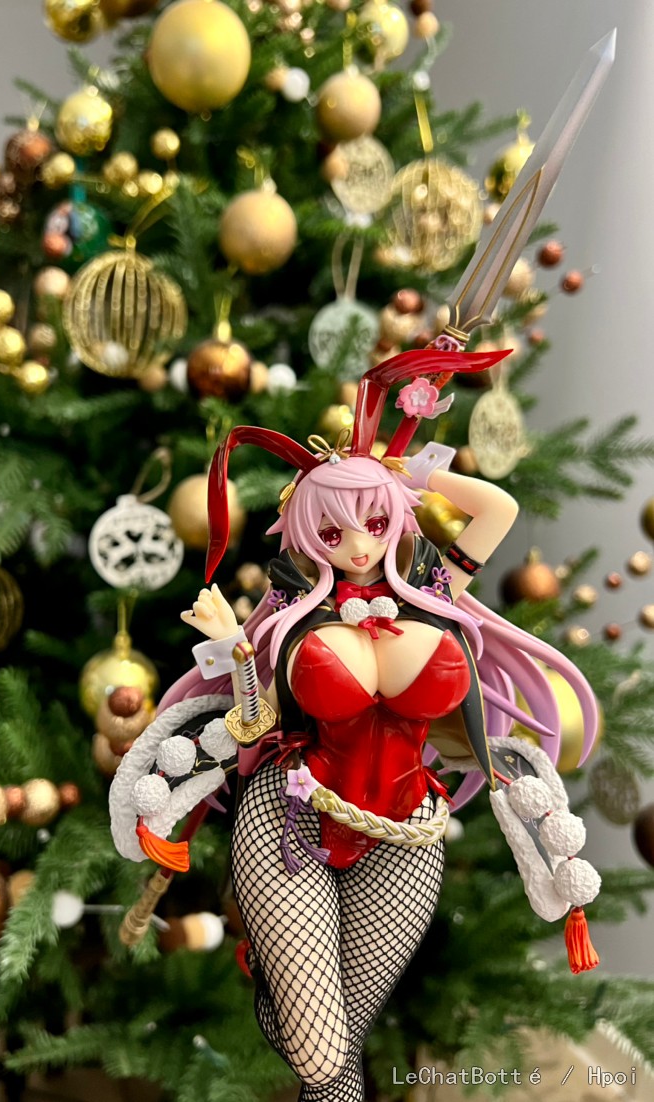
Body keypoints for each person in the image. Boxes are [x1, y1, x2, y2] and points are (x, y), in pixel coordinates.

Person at [114, 348, 601, 1101]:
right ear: (308, 534)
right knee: (323, 1058)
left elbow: (497, 510)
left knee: (331, 1055)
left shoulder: (432, 586)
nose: (362, 545)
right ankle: (281, 988)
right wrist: (237, 648)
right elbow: (253, 724)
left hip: (406, 829)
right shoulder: (292, 608)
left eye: (374, 522)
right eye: (335, 532)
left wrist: (409, 475)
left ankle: (277, 992)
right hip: (291, 816)